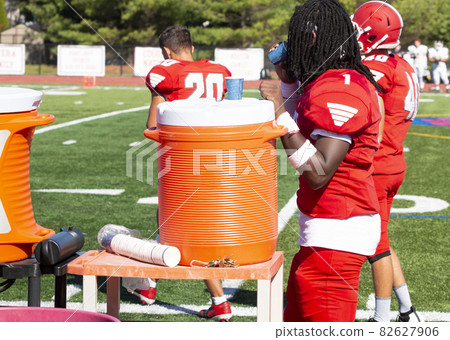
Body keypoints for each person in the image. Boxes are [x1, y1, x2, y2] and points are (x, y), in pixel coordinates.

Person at [259, 0, 382, 322]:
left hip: (337, 232)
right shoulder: (331, 79)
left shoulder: (340, 89)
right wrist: (286, 81)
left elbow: (318, 171)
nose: (291, 45)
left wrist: (277, 110)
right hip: (325, 230)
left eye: (297, 37)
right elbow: (306, 119)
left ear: (312, 39)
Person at [127, 25, 233, 322]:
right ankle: (149, 286)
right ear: (193, 48)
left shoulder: (166, 74)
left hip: (183, 163)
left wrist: (159, 102)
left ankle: (220, 302)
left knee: (186, 231)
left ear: (166, 52)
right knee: (168, 222)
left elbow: (151, 126)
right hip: (214, 157)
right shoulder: (220, 71)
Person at [353, 1, 421, 322]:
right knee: (382, 238)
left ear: (372, 32)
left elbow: (374, 116)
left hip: (377, 165)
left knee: (374, 245)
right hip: (395, 163)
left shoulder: (379, 65)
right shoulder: (403, 64)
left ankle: (381, 319)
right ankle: (406, 309)